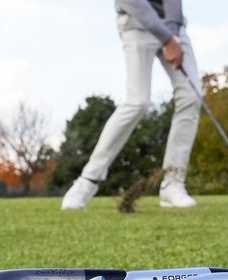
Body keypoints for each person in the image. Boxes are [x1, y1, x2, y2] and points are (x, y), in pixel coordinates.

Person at [61, 0, 202, 209]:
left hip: (173, 28)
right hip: (136, 23)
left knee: (191, 97)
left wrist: (172, 34)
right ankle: (87, 181)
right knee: (137, 101)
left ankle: (173, 184)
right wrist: (166, 39)